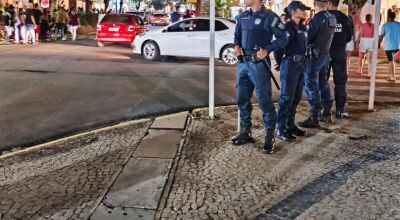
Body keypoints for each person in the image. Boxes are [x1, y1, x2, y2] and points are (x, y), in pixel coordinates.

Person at [231, 0, 288, 154]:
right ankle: (245, 132)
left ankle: (269, 138)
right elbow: (237, 36)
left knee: (265, 102)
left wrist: (267, 49)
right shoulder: (243, 16)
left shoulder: (270, 17)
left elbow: (284, 38)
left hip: (259, 64)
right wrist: (236, 47)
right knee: (242, 99)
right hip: (243, 63)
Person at [298, 0, 336, 128]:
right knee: (323, 83)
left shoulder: (317, 19)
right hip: (325, 54)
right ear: (327, 3)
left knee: (310, 83)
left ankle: (314, 116)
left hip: (315, 56)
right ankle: (327, 112)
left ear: (314, 3)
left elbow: (307, 37)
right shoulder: (332, 17)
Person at [276, 1, 309, 142]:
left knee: (295, 98)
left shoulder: (302, 27)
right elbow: (279, 48)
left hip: (301, 64)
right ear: (294, 11)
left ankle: (290, 125)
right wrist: (281, 63)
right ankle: (281, 128)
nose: (305, 11)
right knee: (286, 98)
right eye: (302, 9)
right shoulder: (287, 27)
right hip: (290, 64)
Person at [326, 0, 353, 119]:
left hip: (325, 51)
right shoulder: (345, 18)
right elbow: (349, 36)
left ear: (328, 3)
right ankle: (340, 111)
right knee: (341, 82)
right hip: (340, 52)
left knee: (322, 81)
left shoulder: (324, 17)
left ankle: (324, 110)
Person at [379, 11, 400, 82]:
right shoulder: (398, 24)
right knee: (393, 61)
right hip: (397, 45)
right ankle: (392, 76)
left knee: (391, 62)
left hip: (388, 46)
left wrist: (378, 43)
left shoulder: (385, 25)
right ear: (394, 17)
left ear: (388, 17)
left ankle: (392, 77)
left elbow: (381, 36)